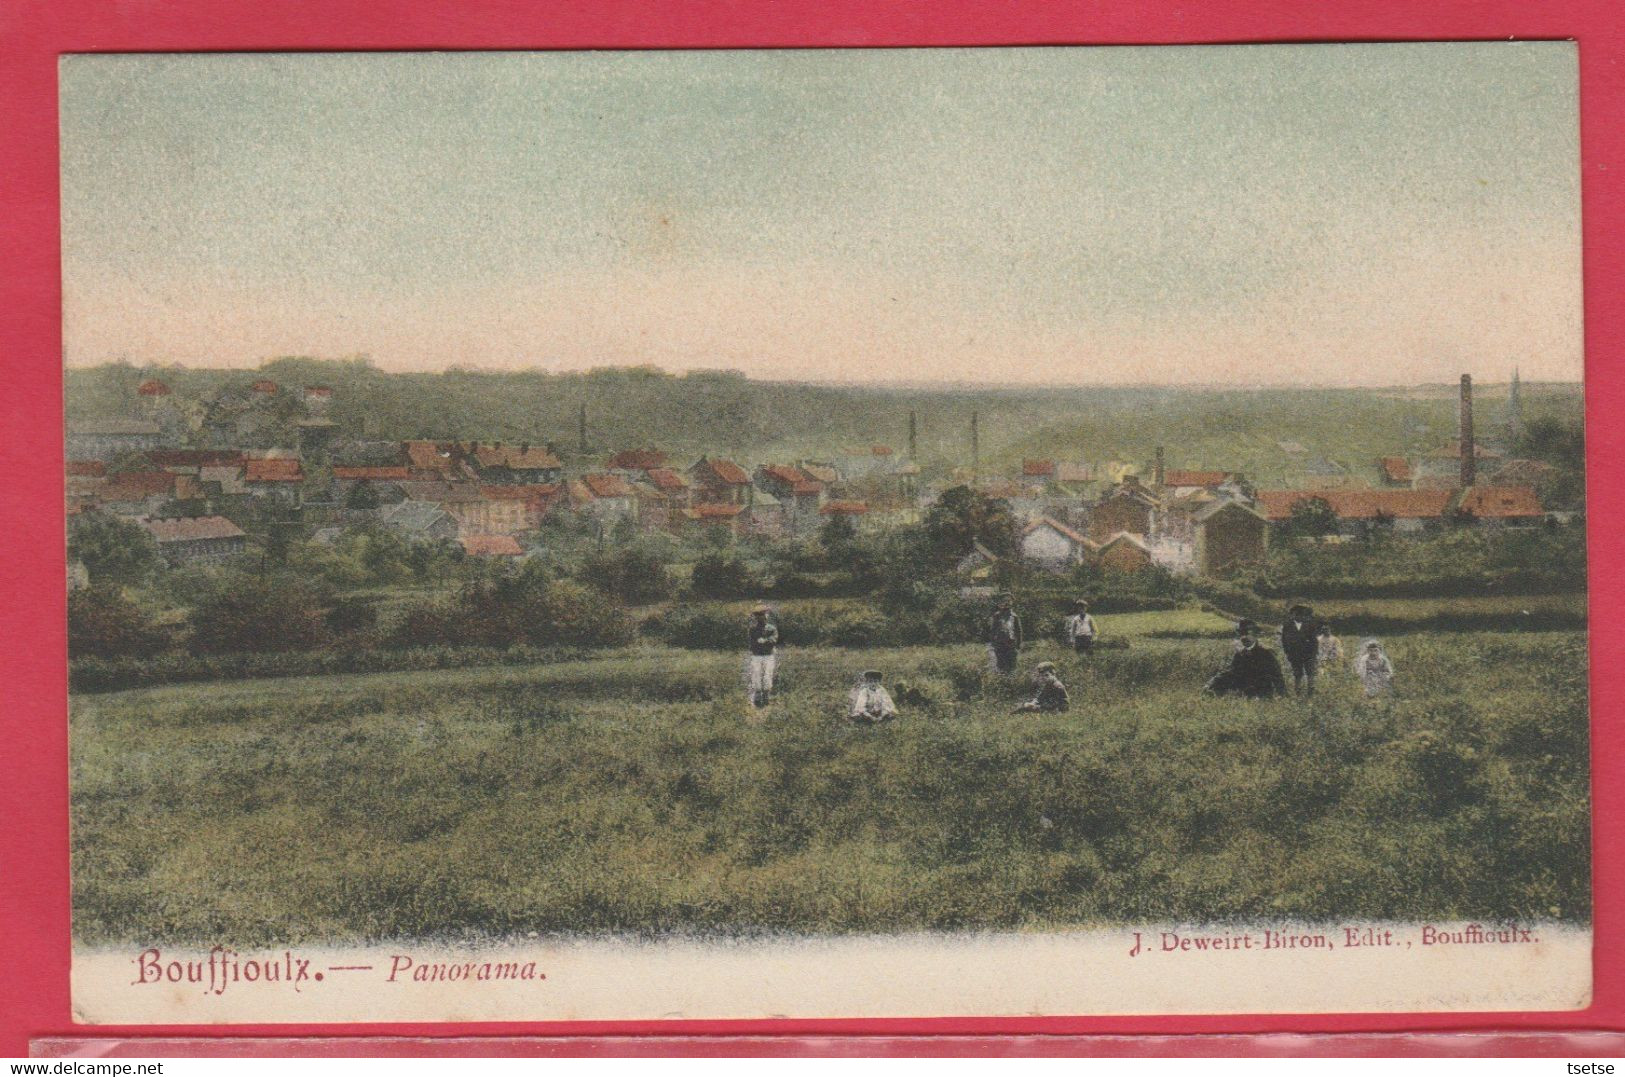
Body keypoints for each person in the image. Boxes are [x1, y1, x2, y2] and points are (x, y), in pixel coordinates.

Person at [1205, 629, 1287, 698]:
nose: (1244, 637)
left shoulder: (1266, 652)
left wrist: (1282, 694)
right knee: (1220, 680)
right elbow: (1232, 671)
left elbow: (1276, 674)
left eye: (1247, 634)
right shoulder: (1239, 654)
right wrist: (1212, 683)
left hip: (1262, 690)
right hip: (1244, 690)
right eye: (1242, 634)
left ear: (1255, 636)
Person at [1279, 603, 1325, 695]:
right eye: (1297, 614)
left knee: (1310, 672)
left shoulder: (1309, 625)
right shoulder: (1287, 626)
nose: (1300, 616)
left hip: (1308, 654)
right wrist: (1288, 653)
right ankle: (1298, 690)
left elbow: (1314, 641)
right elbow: (1284, 641)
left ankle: (1311, 690)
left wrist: (1314, 653)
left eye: (1302, 614)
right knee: (1297, 673)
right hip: (1295, 654)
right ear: (1293, 614)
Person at [746, 603, 779, 708]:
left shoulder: (771, 628)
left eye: (764, 614)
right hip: (757, 656)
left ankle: (765, 696)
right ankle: (757, 696)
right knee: (756, 675)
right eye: (759, 615)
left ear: (767, 615)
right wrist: (758, 643)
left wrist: (765, 641)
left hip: (768, 656)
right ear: (756, 617)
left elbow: (774, 640)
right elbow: (752, 643)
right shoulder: (753, 629)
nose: (762, 617)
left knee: (767, 675)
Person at [987, 593, 1023, 675]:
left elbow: (1018, 631)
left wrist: (1019, 644)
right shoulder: (997, 616)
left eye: (1009, 601)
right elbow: (993, 630)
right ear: (1000, 603)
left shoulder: (1014, 616)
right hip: (1000, 644)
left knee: (1012, 665)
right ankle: (1002, 681)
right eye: (1004, 601)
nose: (1006, 603)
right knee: (1001, 665)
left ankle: (1011, 680)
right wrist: (993, 643)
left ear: (1012, 602)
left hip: (1011, 644)